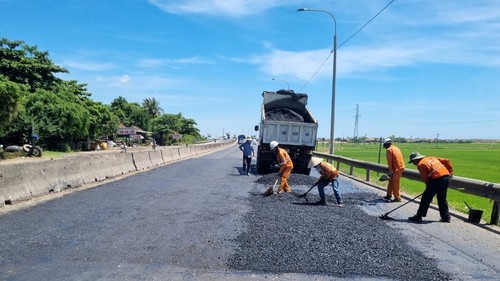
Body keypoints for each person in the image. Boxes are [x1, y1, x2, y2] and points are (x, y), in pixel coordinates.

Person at [407, 151, 453, 223]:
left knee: (426, 197)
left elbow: (426, 179)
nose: (413, 163)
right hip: (447, 177)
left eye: (413, 161)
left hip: (437, 179)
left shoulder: (420, 164)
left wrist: (428, 187)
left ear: (416, 159)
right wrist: (450, 171)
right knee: (442, 198)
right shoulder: (432, 157)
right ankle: (446, 217)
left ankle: (419, 216)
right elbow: (447, 160)